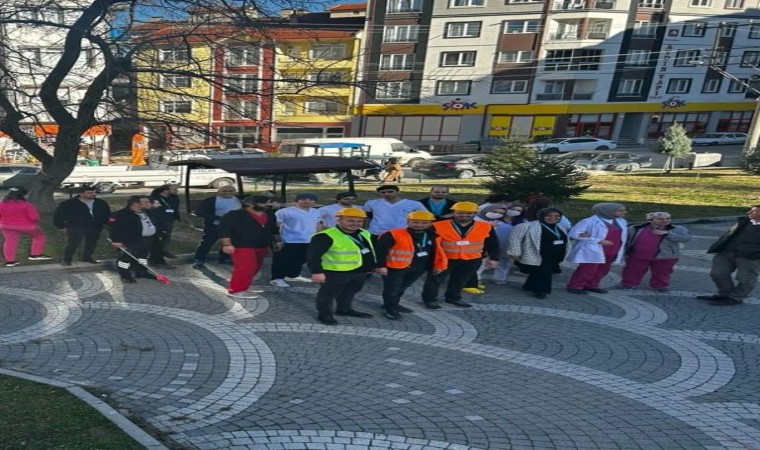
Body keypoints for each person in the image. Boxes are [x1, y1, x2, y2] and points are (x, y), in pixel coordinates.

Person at [421, 201, 499, 309]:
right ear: (453, 212)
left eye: (469, 213)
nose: (464, 215)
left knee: (460, 280)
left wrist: (494, 258)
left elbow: (493, 243)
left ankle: (453, 298)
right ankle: (429, 299)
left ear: (475, 213)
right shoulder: (437, 226)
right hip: (444, 258)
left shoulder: (486, 226)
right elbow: (428, 243)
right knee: (435, 280)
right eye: (460, 213)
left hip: (471, 259)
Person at [307, 208, 376, 325]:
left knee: (350, 291)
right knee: (328, 294)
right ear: (339, 220)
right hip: (335, 271)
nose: (355, 224)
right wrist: (317, 272)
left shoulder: (364, 233)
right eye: (350, 221)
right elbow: (313, 256)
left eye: (359, 221)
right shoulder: (325, 236)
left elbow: (369, 250)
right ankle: (324, 314)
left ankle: (344, 309)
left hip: (360, 270)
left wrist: (372, 266)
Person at [375, 211, 447, 320]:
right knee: (392, 289)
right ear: (408, 221)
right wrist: (381, 266)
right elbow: (380, 251)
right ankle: (390, 309)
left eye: (424, 223)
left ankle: (392, 304)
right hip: (395, 267)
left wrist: (437, 265)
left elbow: (436, 252)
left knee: (402, 287)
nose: (419, 225)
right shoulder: (392, 234)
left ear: (430, 223)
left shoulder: (433, 235)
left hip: (418, 267)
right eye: (415, 222)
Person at [696, 205, 760, 306]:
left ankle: (736, 297)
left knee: (746, 278)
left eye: (753, 212)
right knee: (718, 274)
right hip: (726, 252)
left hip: (749, 256)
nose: (749, 213)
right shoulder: (743, 221)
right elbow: (728, 234)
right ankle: (725, 294)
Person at [219, 195, 280, 299]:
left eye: (269, 202)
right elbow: (224, 230)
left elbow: (273, 229)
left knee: (255, 266)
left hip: (262, 244)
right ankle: (236, 289)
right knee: (245, 267)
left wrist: (277, 241)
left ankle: (246, 285)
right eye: (264, 203)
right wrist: (227, 244)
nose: (268, 205)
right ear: (250, 204)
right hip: (241, 245)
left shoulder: (270, 214)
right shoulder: (234, 215)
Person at [620, 212, 692, 292]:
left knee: (662, 272)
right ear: (651, 220)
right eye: (660, 219)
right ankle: (628, 284)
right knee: (633, 270)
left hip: (665, 256)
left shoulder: (677, 229)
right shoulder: (636, 228)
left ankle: (660, 285)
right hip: (637, 255)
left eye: (668, 218)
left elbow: (686, 238)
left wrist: (667, 233)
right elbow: (625, 239)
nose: (665, 221)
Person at [565, 203, 628, 294]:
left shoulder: (621, 221)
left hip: (612, 249)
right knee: (587, 269)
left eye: (624, 210)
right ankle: (575, 286)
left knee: (603, 269)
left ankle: (592, 285)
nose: (624, 212)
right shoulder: (588, 221)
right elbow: (573, 234)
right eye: (620, 211)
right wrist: (598, 240)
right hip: (593, 249)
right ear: (608, 211)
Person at [507, 208, 569, 298]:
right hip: (537, 253)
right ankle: (541, 290)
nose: (553, 218)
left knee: (539, 271)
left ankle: (528, 286)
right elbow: (515, 239)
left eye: (557, 216)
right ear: (542, 216)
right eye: (549, 216)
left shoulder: (560, 227)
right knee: (544, 272)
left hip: (555, 254)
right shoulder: (527, 226)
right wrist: (515, 252)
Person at [270, 193, 322, 288]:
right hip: (289, 240)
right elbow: (275, 226)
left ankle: (292, 275)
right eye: (303, 199)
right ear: (297, 200)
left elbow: (318, 224)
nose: (307, 201)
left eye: (311, 199)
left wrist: (319, 237)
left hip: (308, 240)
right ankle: (277, 278)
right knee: (283, 260)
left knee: (300, 259)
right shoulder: (284, 212)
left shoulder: (315, 211)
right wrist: (277, 240)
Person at [53, 185, 110, 266]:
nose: (93, 194)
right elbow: (59, 215)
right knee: (73, 243)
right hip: (76, 226)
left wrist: (106, 223)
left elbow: (106, 214)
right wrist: (61, 226)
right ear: (81, 194)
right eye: (89, 193)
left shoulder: (101, 203)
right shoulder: (69, 204)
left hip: (95, 226)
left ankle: (87, 257)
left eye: (94, 193)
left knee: (91, 242)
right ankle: (67, 259)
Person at [108, 195, 158, 283]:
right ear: (135, 204)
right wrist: (116, 241)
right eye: (145, 202)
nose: (149, 204)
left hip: (147, 239)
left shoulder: (146, 212)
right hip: (131, 240)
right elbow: (114, 229)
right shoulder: (121, 214)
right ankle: (125, 275)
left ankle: (141, 271)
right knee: (125, 259)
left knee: (143, 257)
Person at [192, 186, 242, 268]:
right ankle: (199, 259)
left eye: (231, 191)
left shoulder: (238, 199)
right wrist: (217, 217)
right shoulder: (211, 200)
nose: (228, 192)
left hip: (233, 226)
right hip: (214, 226)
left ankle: (224, 257)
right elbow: (199, 212)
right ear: (219, 191)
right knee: (207, 243)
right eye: (224, 191)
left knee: (229, 243)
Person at [0, 188, 51, 266]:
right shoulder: (26, 205)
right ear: (22, 196)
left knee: (10, 242)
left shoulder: (1, 204)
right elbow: (34, 217)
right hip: (26, 226)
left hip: (6, 226)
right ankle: (35, 254)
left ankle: (10, 261)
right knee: (39, 237)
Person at [150, 184, 180, 258]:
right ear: (166, 190)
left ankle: (165, 251)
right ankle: (155, 254)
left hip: (170, 219)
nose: (177, 191)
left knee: (167, 236)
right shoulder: (155, 198)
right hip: (158, 220)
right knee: (157, 237)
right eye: (174, 189)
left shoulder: (174, 198)